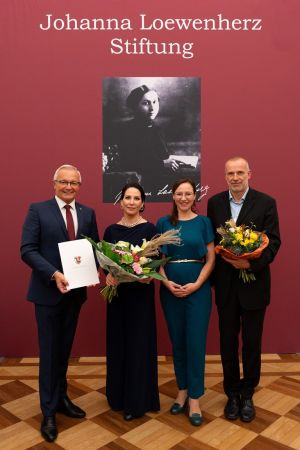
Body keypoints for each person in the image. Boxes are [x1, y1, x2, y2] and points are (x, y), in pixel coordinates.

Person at [20, 164, 99, 442]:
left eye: (74, 183)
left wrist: (94, 271)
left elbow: (94, 248)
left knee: (64, 350)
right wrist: (54, 274)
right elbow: (27, 250)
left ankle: (62, 398)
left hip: (75, 295)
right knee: (49, 353)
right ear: (54, 183)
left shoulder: (88, 213)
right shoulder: (37, 210)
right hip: (47, 294)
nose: (68, 187)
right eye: (63, 182)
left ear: (80, 185)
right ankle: (49, 411)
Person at [207, 156, 281, 423]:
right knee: (227, 343)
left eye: (240, 172)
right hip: (225, 287)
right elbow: (211, 242)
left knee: (251, 343)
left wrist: (249, 263)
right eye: (230, 173)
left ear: (249, 173)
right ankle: (231, 393)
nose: (235, 177)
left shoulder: (266, 202)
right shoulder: (214, 203)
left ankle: (247, 393)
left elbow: (273, 243)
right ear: (225, 176)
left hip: (255, 286)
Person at [156, 179, 215, 426]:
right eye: (179, 193)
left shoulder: (204, 222)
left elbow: (211, 258)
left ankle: (194, 398)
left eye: (188, 193)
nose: (183, 198)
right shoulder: (163, 223)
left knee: (195, 342)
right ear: (173, 195)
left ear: (195, 196)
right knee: (178, 341)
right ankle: (181, 390)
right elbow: (158, 259)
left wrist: (198, 283)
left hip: (198, 289)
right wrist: (166, 283)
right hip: (170, 289)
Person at [103, 182, 160, 420]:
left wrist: (147, 275)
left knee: (139, 345)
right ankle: (117, 397)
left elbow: (157, 261)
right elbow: (103, 261)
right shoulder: (110, 231)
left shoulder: (150, 230)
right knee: (118, 344)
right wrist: (107, 274)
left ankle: (137, 402)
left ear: (143, 203)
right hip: (117, 297)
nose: (132, 202)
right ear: (121, 200)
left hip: (140, 297)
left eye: (137, 198)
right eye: (128, 197)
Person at [113, 85, 181, 197]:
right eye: (146, 103)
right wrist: (163, 163)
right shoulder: (126, 130)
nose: (152, 108)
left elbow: (160, 155)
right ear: (135, 107)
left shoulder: (157, 128)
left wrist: (170, 159)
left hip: (161, 180)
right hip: (140, 186)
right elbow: (129, 162)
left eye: (155, 102)